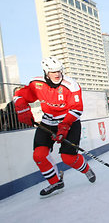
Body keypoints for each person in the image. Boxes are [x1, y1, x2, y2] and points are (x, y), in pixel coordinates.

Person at [13, 57, 96, 197]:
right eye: (53, 72)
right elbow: (18, 96)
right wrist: (22, 108)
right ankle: (55, 182)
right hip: (48, 123)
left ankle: (86, 169)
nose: (57, 74)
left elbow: (77, 108)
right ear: (46, 72)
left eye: (59, 71)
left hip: (70, 122)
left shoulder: (71, 85)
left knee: (68, 158)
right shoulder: (36, 83)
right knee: (39, 155)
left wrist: (64, 126)